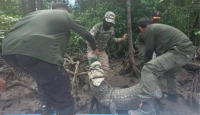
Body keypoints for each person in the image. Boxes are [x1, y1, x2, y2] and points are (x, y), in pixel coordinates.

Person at [1, 2, 98, 115]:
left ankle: (46, 110)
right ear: (65, 11)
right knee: (63, 97)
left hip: (9, 54)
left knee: (45, 82)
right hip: (37, 54)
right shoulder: (65, 15)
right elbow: (88, 36)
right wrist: (95, 49)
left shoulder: (34, 14)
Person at [128, 17, 195, 115]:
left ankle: (147, 109)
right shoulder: (157, 29)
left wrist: (145, 64)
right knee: (170, 71)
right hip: (187, 52)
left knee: (148, 69)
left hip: (180, 51)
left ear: (140, 28)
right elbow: (160, 52)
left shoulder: (149, 30)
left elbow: (149, 51)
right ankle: (173, 95)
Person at [87, 11, 127, 78]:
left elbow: (112, 39)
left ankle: (103, 84)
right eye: (108, 22)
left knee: (105, 69)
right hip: (92, 49)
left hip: (102, 50)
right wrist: (94, 48)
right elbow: (89, 38)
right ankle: (93, 85)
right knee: (94, 68)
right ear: (104, 19)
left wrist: (121, 39)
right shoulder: (98, 27)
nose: (109, 24)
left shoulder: (111, 29)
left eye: (111, 23)